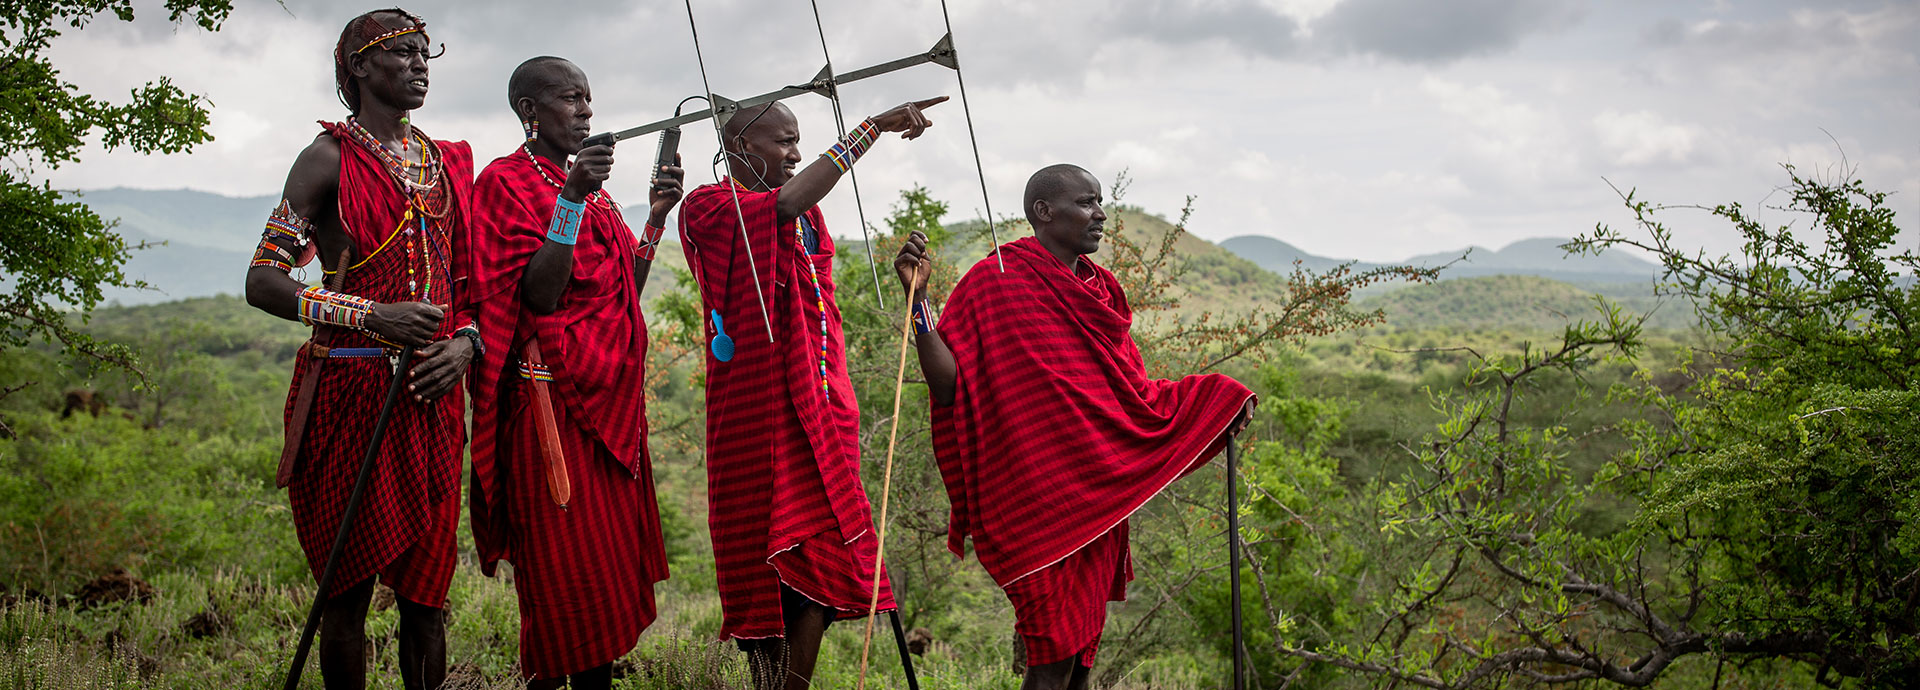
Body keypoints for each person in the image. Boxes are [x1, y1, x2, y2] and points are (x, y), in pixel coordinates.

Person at [894, 164, 1257, 690]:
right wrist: (920, 303)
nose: (1101, 214)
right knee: (1050, 661)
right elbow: (950, 388)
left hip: (1094, 499)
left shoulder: (1101, 292)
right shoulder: (993, 282)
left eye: (1100, 202)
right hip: (1032, 500)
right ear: (1044, 212)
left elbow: (1131, 397)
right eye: (1087, 203)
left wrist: (1214, 399)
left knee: (1078, 658)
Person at [677, 96, 945, 689]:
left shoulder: (808, 220)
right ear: (745, 146)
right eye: (784, 141)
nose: (797, 154)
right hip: (756, 412)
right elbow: (785, 202)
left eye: (800, 141)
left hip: (822, 412)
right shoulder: (708, 206)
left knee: (819, 560)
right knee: (762, 566)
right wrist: (871, 129)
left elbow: (821, 310)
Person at [242, 9, 472, 690]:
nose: (419, 64)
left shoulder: (446, 161)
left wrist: (466, 343)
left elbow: (471, 285)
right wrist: (371, 314)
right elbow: (263, 281)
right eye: (402, 53)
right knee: (344, 596)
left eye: (425, 52)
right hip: (349, 395)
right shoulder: (327, 159)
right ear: (360, 67)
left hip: (431, 396)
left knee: (428, 602)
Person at [465, 56, 682, 689]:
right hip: (548, 411)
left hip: (606, 411)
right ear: (530, 112)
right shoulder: (505, 183)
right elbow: (540, 297)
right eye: (570, 99)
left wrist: (654, 219)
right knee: (564, 580)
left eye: (589, 99)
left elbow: (616, 295)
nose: (586, 111)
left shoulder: (593, 192)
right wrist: (569, 201)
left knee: (603, 579)